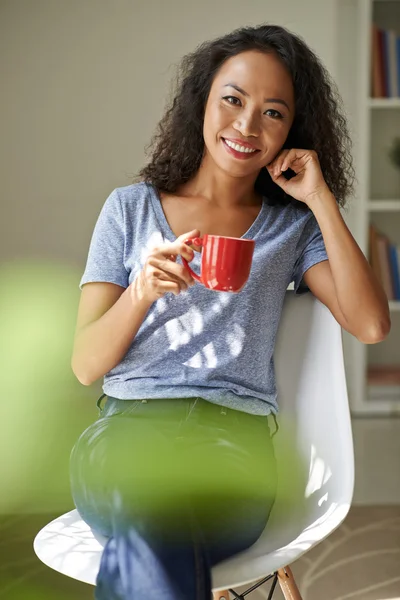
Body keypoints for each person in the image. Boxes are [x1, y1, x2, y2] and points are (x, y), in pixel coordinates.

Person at [69, 23, 390, 600]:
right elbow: (86, 365)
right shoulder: (129, 210)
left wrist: (319, 198)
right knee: (150, 508)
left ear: (293, 129)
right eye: (233, 100)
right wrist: (142, 289)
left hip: (233, 448)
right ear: (203, 101)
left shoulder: (293, 228)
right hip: (126, 434)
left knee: (145, 532)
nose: (246, 126)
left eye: (273, 112)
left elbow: (370, 324)